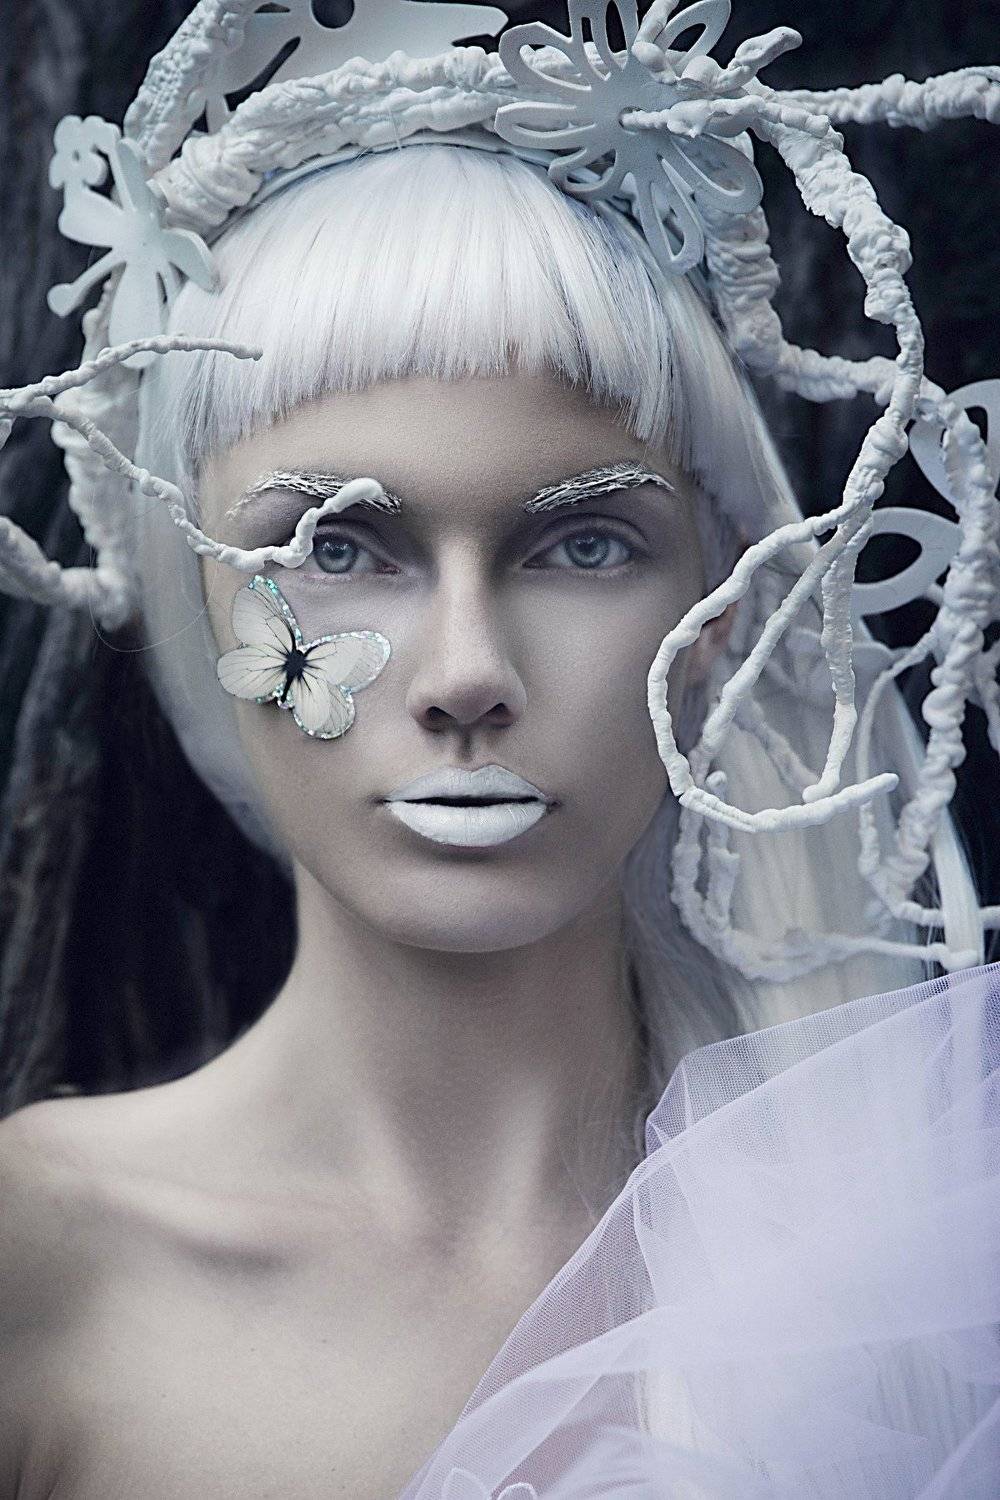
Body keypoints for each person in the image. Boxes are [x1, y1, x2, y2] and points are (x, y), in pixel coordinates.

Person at [0, 2, 997, 1495]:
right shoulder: (41, 1272)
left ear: (720, 609)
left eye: (585, 545)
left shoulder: (932, 1252)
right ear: (191, 593)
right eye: (338, 546)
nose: (468, 675)